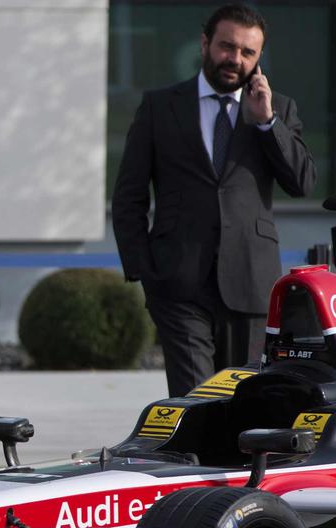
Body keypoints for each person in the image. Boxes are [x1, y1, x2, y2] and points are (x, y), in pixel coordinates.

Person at [112, 3, 315, 397]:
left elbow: (302, 183)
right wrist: (143, 269)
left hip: (251, 282)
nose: (235, 59)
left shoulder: (278, 109)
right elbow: (128, 195)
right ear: (205, 44)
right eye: (227, 46)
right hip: (178, 283)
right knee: (198, 401)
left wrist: (267, 123)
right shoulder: (159, 107)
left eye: (248, 52)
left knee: (247, 402)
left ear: (259, 58)